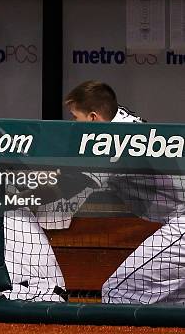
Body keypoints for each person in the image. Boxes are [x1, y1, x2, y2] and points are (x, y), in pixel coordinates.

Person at [30, 80, 185, 304]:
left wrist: (9, 198)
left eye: (76, 117)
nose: (73, 124)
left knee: (116, 293)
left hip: (182, 224)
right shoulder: (122, 120)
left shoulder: (114, 139)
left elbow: (66, 187)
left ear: (93, 118)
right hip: (177, 221)